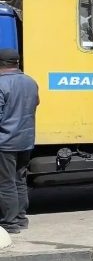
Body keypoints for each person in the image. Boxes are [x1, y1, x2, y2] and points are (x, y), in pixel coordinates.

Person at [0, 48, 39, 236]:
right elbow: (34, 105)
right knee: (19, 181)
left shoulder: (1, 84)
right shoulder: (31, 82)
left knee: (5, 183)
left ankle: (9, 223)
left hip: (5, 142)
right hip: (25, 140)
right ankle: (21, 219)